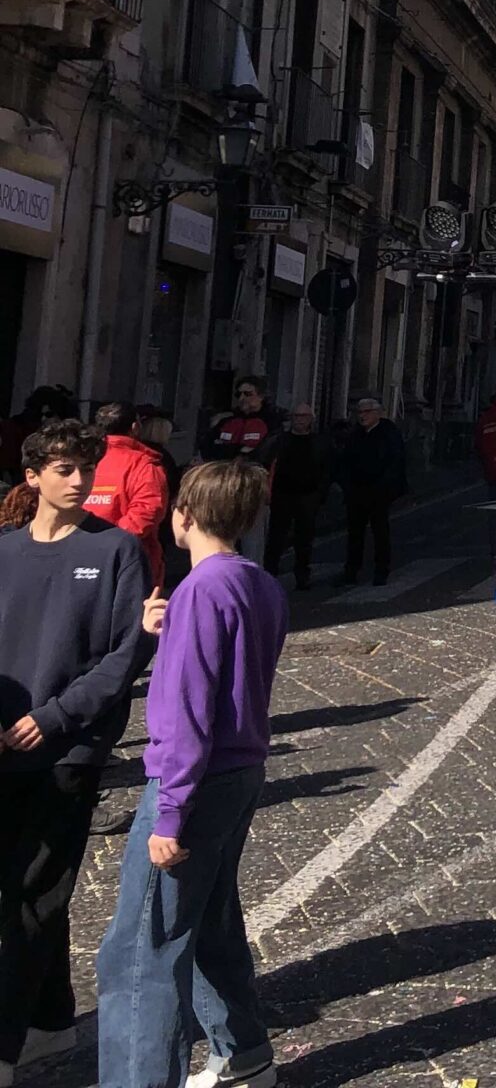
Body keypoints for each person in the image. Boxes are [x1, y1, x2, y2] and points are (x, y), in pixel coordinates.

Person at [95, 459, 288, 1088]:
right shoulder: (257, 582)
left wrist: (170, 810)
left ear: (184, 515)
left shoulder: (200, 590)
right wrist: (168, 624)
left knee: (140, 950)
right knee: (208, 914)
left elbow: (185, 711)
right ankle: (244, 1049)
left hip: (195, 781)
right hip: (241, 770)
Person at [0, 422, 149, 1082]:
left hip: (68, 752)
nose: (79, 479)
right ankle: (52, 1024)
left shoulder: (116, 549)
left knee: (32, 895)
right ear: (32, 477)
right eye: (63, 468)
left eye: (84, 468)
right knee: (29, 894)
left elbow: (123, 654)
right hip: (3, 748)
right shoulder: (3, 552)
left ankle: (4, 1047)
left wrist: (55, 717)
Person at [85, 401, 170, 589]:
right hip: (130, 564)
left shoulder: (82, 459)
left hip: (80, 554)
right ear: (135, 427)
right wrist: (111, 545)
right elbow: (146, 514)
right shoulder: (144, 465)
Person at [335, 396, 407, 587]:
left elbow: (395, 462)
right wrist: (347, 486)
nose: (362, 416)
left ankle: (381, 570)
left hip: (379, 492)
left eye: (366, 412)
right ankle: (351, 570)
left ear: (377, 413)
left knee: (380, 531)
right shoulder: (355, 435)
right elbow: (345, 462)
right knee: (354, 533)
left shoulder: (389, 433)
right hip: (357, 491)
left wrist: (385, 487)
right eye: (359, 412)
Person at [262, 403, 329, 590]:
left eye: (304, 416)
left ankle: (302, 575)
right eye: (297, 416)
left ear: (311, 419)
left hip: (308, 496)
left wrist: (320, 494)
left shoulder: (320, 442)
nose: (300, 420)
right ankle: (270, 574)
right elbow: (267, 463)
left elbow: (327, 469)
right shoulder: (279, 441)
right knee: (276, 537)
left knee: (304, 539)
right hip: (282, 495)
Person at [200, 377, 274, 467]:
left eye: (247, 394)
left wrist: (243, 454)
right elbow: (208, 448)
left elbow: (265, 454)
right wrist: (239, 449)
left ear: (261, 396)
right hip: (224, 473)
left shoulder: (271, 422)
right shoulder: (226, 420)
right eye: (238, 394)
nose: (242, 398)